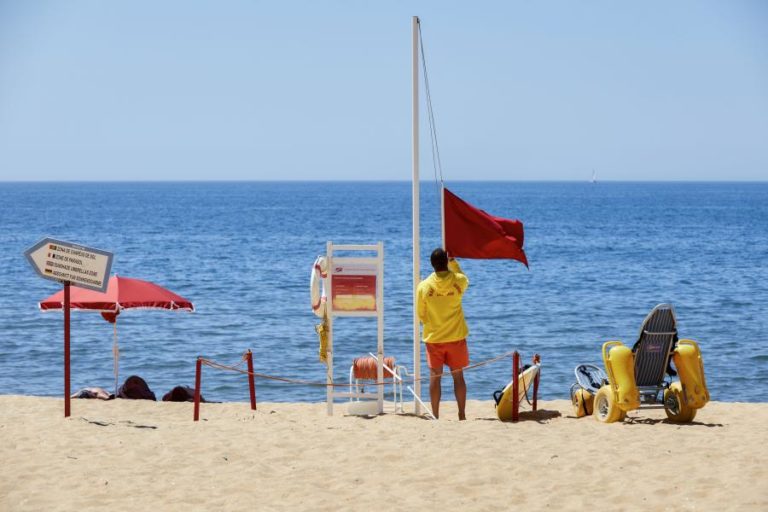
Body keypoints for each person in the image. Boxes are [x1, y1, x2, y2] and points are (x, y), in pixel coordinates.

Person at [417, 247, 470, 420]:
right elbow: (464, 278)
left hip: (434, 338)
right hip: (456, 336)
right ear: (446, 262)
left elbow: (421, 314)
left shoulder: (424, 286)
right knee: (458, 377)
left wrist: (432, 322)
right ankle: (461, 414)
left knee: (435, 377)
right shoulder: (458, 281)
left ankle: (435, 415)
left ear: (432, 264)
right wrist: (454, 263)